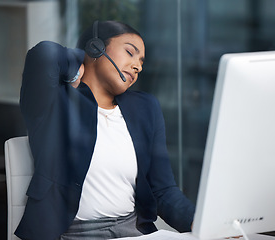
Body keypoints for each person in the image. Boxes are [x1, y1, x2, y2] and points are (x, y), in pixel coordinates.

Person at [17, 20, 195, 240]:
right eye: (130, 53)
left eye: (141, 61)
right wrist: (76, 67)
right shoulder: (55, 102)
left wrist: (200, 222)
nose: (138, 66)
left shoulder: (145, 108)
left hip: (134, 232)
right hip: (74, 234)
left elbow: (164, 190)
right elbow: (43, 54)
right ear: (96, 48)